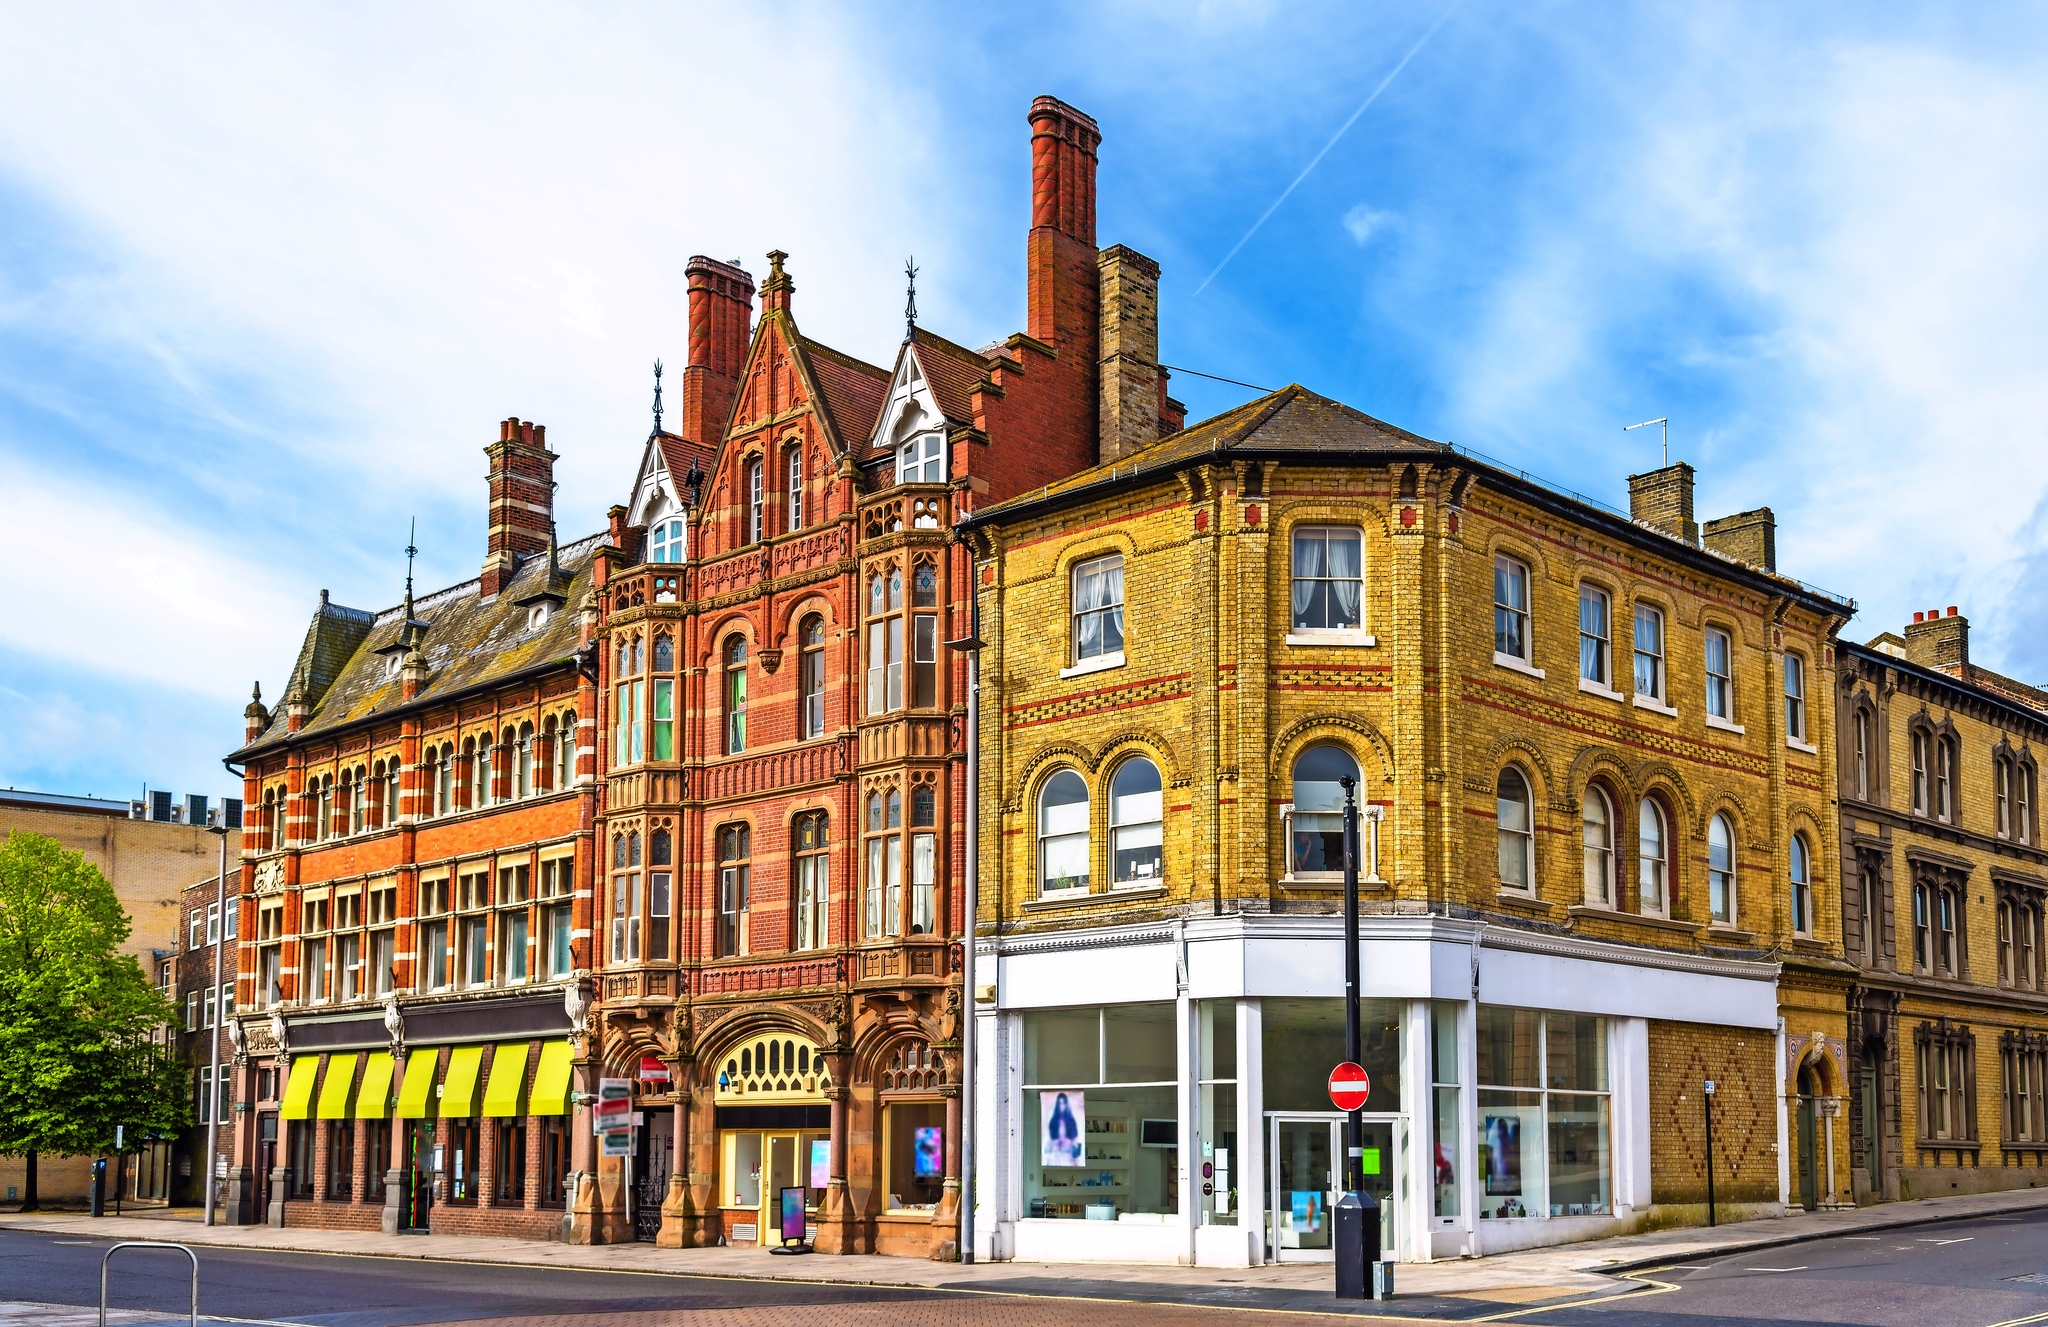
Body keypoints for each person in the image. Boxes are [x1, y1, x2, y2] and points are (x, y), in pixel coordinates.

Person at [1044, 1091, 1082, 1167]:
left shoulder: (1071, 1121)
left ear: (1066, 1104)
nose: (1061, 1106)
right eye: (1059, 1103)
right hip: (1056, 1157)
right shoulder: (1053, 1121)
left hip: (1068, 1158)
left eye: (1063, 1103)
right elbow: (1050, 1142)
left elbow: (1075, 1142)